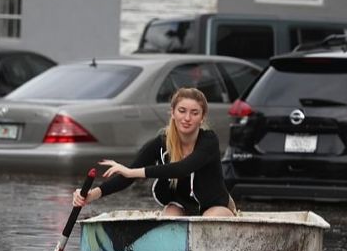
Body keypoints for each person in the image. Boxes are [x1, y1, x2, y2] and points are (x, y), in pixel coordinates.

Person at [73, 87, 236, 217]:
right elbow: (127, 178)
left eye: (194, 113)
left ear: (202, 117)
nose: (187, 118)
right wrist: (90, 195)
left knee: (209, 219)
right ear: (172, 113)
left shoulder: (209, 140)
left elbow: (183, 168)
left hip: (213, 205)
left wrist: (131, 172)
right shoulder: (161, 142)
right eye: (182, 111)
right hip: (182, 205)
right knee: (170, 216)